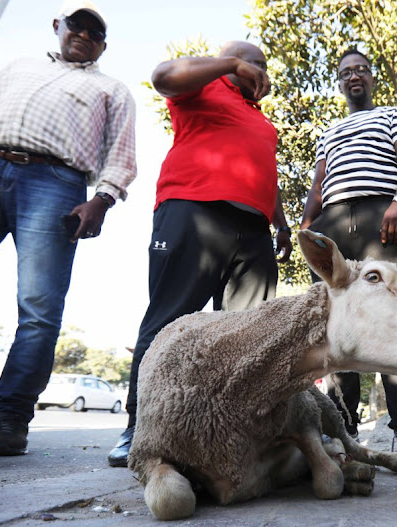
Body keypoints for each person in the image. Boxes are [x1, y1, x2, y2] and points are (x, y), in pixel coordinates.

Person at [0, 0, 136, 457]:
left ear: (103, 44)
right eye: (78, 25)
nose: (85, 35)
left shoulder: (112, 89)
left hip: (55, 183)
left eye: (96, 32)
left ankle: (10, 418)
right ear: (59, 26)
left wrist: (102, 198)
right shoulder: (17, 67)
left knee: (39, 307)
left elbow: (121, 153)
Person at [107, 41, 293, 468]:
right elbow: (162, 76)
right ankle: (140, 427)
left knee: (249, 334)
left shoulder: (260, 119)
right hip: (193, 212)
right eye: (251, 62)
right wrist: (228, 63)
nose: (259, 70)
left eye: (264, 65)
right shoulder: (203, 87)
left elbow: (266, 169)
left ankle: (233, 435)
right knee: (169, 320)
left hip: (253, 229)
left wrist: (280, 223)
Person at [300, 49, 397, 459]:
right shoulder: (329, 131)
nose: (353, 76)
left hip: (381, 216)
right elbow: (319, 185)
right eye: (344, 73)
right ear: (339, 83)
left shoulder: (393, 114)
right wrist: (306, 227)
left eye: (359, 70)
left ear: (371, 77)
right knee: (336, 324)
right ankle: (341, 427)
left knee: (393, 319)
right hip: (333, 223)